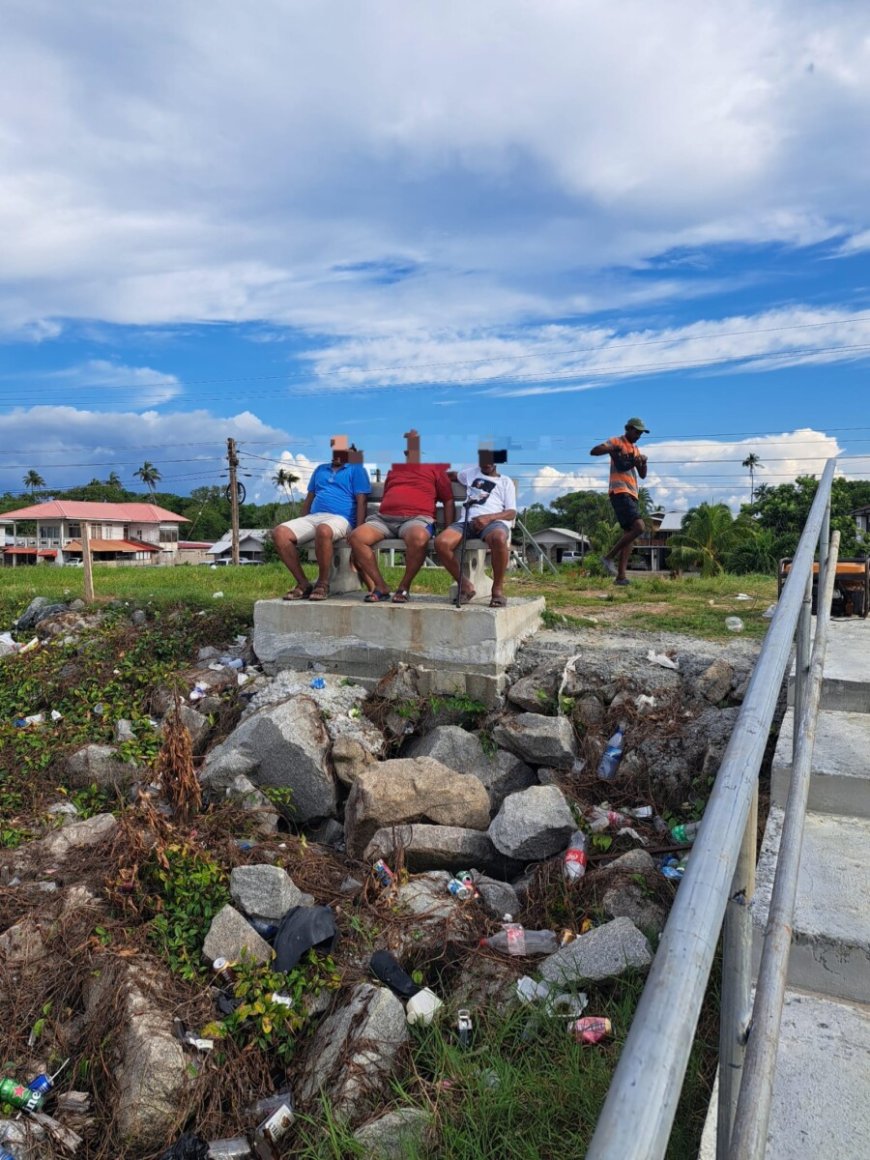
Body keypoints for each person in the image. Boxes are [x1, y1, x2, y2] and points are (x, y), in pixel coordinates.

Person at [273, 449, 371, 601]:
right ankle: (303, 584)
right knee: (280, 533)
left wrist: (357, 531)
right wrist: (302, 523)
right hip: (314, 517)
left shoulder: (356, 470)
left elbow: (361, 501)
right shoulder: (320, 469)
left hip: (341, 519)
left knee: (323, 530)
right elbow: (309, 498)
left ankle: (323, 583)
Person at [349, 461, 455, 603]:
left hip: (417, 519)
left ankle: (404, 587)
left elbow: (448, 500)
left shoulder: (435, 470)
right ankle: (381, 587)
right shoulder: (394, 470)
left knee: (418, 537)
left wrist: (448, 530)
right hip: (384, 519)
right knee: (356, 537)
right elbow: (388, 493)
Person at [435, 451, 517, 608]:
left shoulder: (505, 482)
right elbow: (451, 475)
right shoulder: (469, 474)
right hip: (466, 522)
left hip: (493, 523)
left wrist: (489, 518)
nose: (486, 464)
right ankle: (466, 585)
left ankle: (497, 590)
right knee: (441, 543)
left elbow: (511, 512)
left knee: (499, 539)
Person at [589, 417, 649, 585]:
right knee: (639, 527)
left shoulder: (635, 449)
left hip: (632, 493)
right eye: (636, 431)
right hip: (619, 491)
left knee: (629, 534)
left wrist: (643, 462)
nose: (638, 435)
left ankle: (621, 576)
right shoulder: (617, 441)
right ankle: (608, 558)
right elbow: (594, 451)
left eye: (640, 433)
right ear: (627, 429)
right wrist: (611, 448)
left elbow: (642, 475)